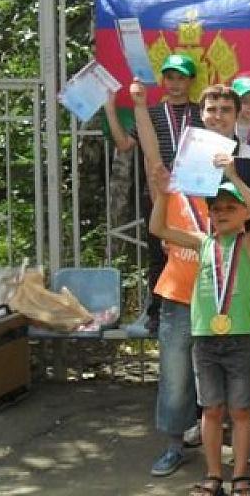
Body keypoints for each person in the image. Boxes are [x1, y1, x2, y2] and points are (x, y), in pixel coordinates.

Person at [148, 158, 250, 496]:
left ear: (243, 212)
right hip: (205, 340)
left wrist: (232, 176)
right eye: (216, 208)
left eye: (231, 207)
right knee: (212, 410)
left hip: (240, 338)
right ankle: (214, 475)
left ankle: (241, 476)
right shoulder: (201, 243)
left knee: (241, 410)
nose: (222, 213)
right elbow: (159, 229)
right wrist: (162, 195)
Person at [195, 84, 250, 445]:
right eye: (211, 109)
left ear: (236, 113)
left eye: (224, 109)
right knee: (201, 345)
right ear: (202, 114)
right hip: (199, 261)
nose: (217, 116)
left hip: (244, 265)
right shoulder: (190, 153)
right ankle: (205, 419)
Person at [127, 79, 202, 477]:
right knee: (175, 375)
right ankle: (174, 446)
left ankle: (226, 450)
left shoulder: (226, 190)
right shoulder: (169, 190)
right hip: (177, 296)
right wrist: (140, 105)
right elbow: (152, 150)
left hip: (218, 296)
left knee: (218, 377)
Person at [104, 53, 201, 333]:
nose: (175, 83)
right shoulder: (151, 112)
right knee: (159, 254)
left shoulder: (201, 112)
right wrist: (111, 108)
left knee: (195, 250)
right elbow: (124, 144)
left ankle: (198, 308)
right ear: (162, 80)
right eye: (170, 77)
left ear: (191, 81)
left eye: (181, 78)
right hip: (158, 195)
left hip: (194, 196)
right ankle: (157, 313)